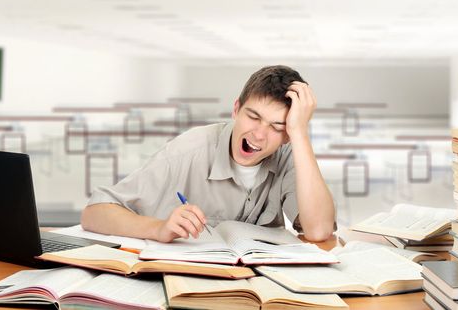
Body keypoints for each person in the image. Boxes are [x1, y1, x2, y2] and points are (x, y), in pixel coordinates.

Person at [81, 65, 335, 242]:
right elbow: (95, 213)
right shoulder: (189, 149)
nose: (259, 134)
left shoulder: (291, 153)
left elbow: (319, 231)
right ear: (236, 109)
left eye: (277, 127)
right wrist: (159, 228)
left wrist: (300, 134)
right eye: (253, 116)